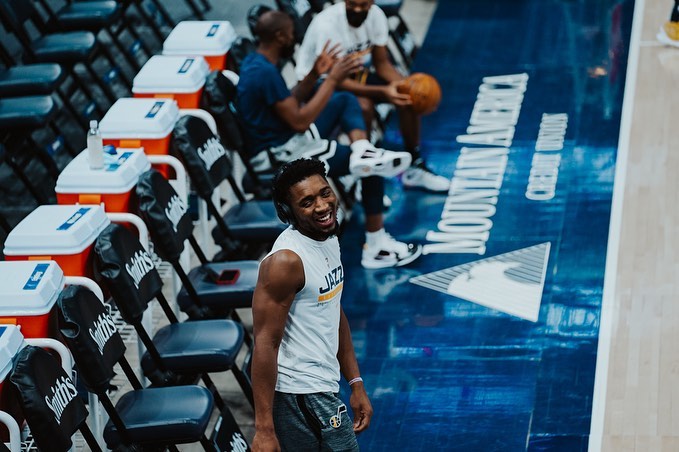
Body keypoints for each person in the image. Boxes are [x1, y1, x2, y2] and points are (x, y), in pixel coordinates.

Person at [238, 10, 422, 268]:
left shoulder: (256, 62)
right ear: (280, 37)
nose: (294, 38)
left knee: (344, 101)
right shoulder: (264, 73)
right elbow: (299, 120)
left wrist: (315, 74)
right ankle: (376, 248)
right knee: (374, 168)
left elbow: (289, 101)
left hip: (285, 138)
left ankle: (362, 149)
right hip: (280, 153)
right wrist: (333, 79)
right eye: (291, 34)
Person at [251, 158, 372, 451]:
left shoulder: (327, 236)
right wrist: (264, 429)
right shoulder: (285, 262)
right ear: (287, 212)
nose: (322, 206)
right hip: (301, 394)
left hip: (324, 385)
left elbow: (333, 309)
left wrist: (355, 382)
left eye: (325, 193)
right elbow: (265, 342)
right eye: (307, 202)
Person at [295, 0, 450, 193]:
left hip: (354, 75)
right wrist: (383, 92)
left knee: (407, 96)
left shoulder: (376, 15)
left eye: (363, 5)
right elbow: (336, 79)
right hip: (318, 83)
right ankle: (364, 177)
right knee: (363, 106)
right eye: (352, 4)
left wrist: (408, 86)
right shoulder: (327, 25)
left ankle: (414, 167)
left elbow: (382, 63)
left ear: (371, 3)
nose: (357, 9)